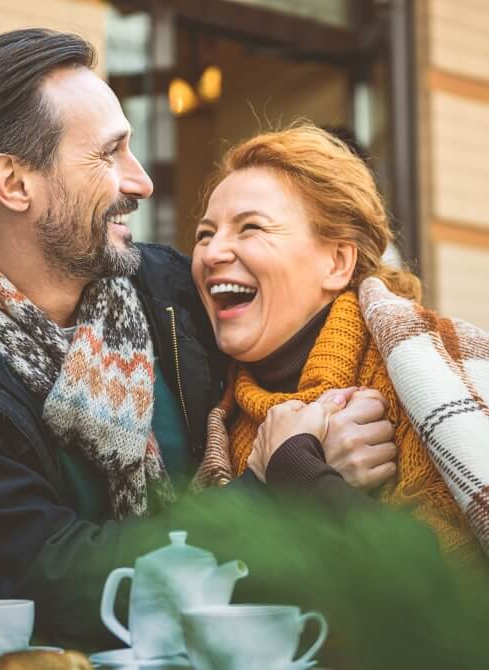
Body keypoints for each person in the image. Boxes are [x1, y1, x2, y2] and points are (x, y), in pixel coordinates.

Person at [0, 30, 395, 663]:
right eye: (109, 155)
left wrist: (355, 402)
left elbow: (302, 325)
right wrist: (271, 492)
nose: (139, 181)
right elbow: (53, 584)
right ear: (13, 183)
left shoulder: (168, 291)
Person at [192, 123, 488, 565]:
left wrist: (298, 471)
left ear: (336, 262)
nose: (212, 253)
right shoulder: (213, 407)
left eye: (250, 228)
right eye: (204, 234)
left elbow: (454, 596)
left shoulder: (432, 377)